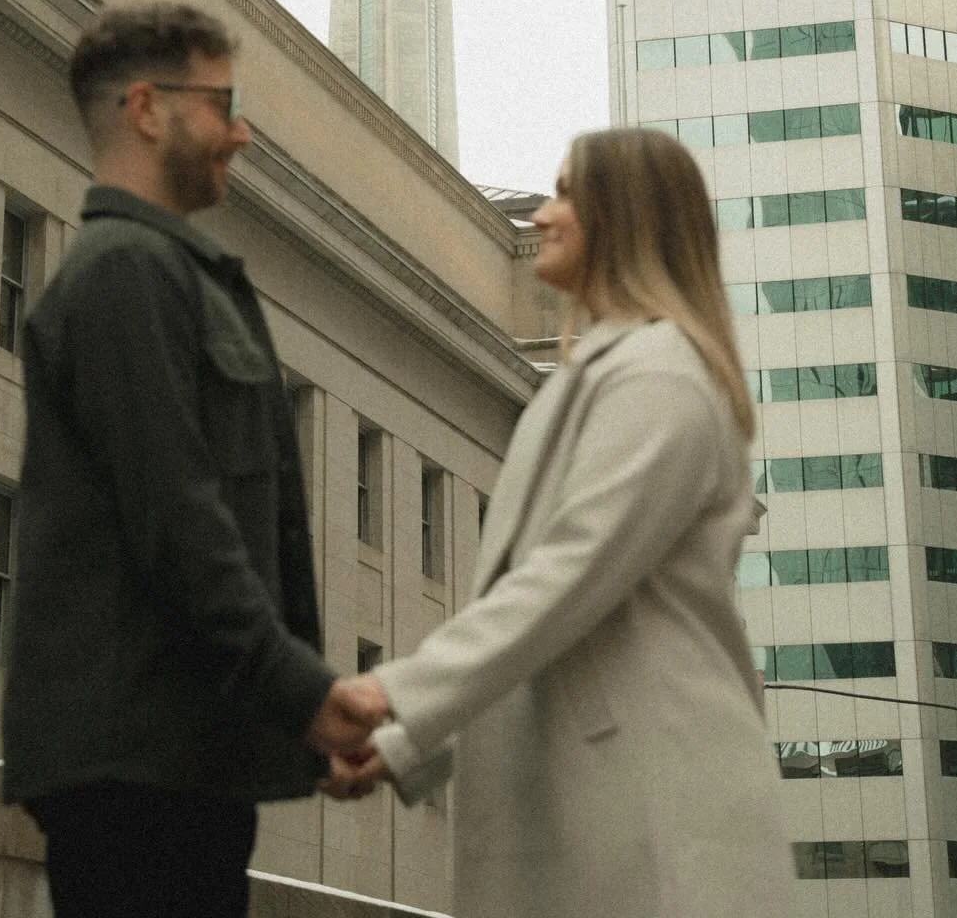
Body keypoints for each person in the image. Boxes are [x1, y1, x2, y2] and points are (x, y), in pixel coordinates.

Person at [324, 127, 795, 918]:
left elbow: (564, 583)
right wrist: (401, 743)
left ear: (627, 217)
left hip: (655, 810)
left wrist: (392, 696)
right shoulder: (600, 380)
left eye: (567, 192)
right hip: (596, 800)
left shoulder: (662, 381)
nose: (542, 214)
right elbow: (542, 621)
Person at [2, 3, 381, 918]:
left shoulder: (170, 274)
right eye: (222, 104)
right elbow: (180, 520)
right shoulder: (125, 273)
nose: (240, 132)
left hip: (182, 763)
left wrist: (292, 711)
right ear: (146, 107)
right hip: (139, 773)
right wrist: (305, 695)